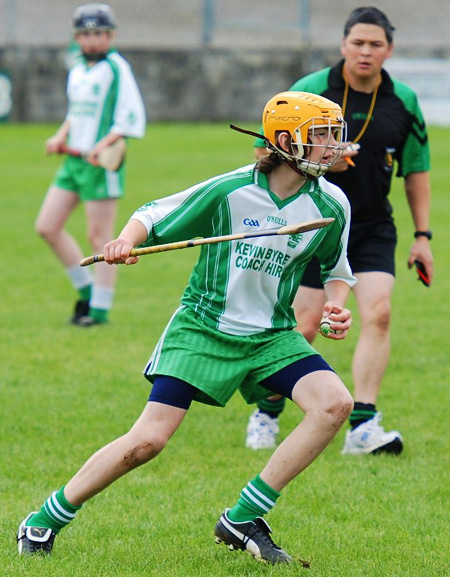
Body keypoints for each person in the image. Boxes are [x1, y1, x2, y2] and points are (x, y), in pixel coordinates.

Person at [17, 91, 356, 564]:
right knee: (148, 442)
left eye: (333, 134)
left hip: (272, 336)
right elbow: (152, 214)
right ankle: (44, 519)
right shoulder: (231, 190)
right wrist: (124, 241)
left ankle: (242, 518)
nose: (333, 145)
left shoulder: (331, 205)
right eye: (319, 135)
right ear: (284, 140)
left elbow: (337, 271)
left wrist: (336, 307)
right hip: (203, 329)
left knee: (335, 404)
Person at [247, 6, 433, 455]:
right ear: (343, 44)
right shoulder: (310, 92)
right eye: (357, 42)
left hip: (371, 226)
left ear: (389, 50)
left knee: (380, 314)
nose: (365, 52)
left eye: (375, 44)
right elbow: (262, 153)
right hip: (314, 224)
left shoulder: (403, 100)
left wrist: (423, 236)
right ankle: (267, 411)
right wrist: (319, 162)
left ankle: (363, 424)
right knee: (305, 324)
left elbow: (416, 170)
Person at [35, 3, 146, 326]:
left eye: (99, 33)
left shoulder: (116, 68)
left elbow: (130, 118)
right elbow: (75, 113)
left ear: (111, 35)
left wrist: (102, 146)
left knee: (101, 238)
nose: (93, 40)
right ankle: (87, 290)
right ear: (76, 38)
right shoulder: (78, 69)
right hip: (73, 163)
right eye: (86, 34)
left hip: (100, 164)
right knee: (47, 226)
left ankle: (98, 312)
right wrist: (60, 135)